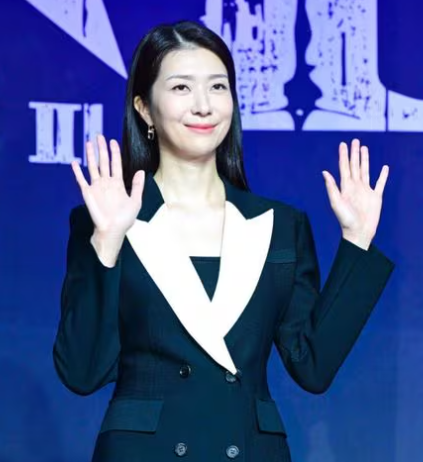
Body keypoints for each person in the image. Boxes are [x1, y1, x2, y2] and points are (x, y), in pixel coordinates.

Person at [52, 20, 395, 462]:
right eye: (181, 88)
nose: (203, 106)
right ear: (144, 108)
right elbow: (81, 373)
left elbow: (312, 367)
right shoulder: (108, 219)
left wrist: (357, 241)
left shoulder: (279, 225)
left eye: (218, 87)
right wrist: (107, 243)